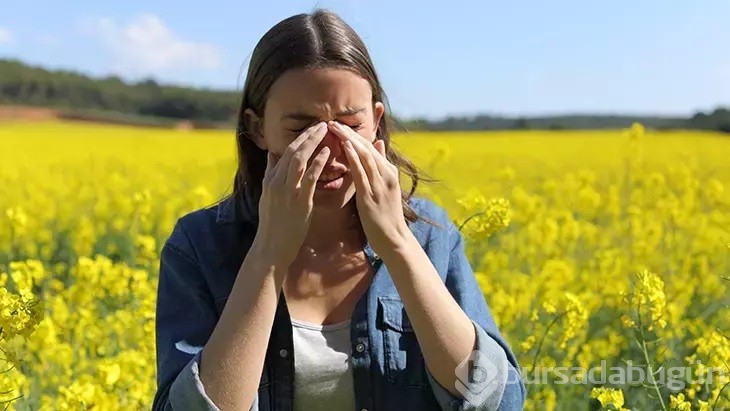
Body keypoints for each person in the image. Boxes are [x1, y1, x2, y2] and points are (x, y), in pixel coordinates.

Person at [151, 8, 526, 411]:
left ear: (377, 121)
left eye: (350, 125)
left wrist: (398, 242)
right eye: (301, 130)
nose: (331, 150)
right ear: (257, 128)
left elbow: (499, 401)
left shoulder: (431, 237)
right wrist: (269, 254)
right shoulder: (198, 246)